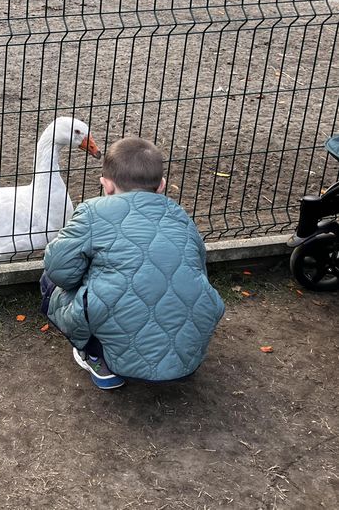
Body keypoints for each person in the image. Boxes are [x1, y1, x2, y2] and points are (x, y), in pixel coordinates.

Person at [41, 137, 225, 390]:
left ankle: (98, 358)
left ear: (106, 185)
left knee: (50, 278)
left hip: (123, 357)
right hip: (188, 362)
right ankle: (173, 355)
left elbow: (60, 272)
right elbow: (198, 267)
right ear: (161, 186)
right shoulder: (180, 215)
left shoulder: (92, 212)